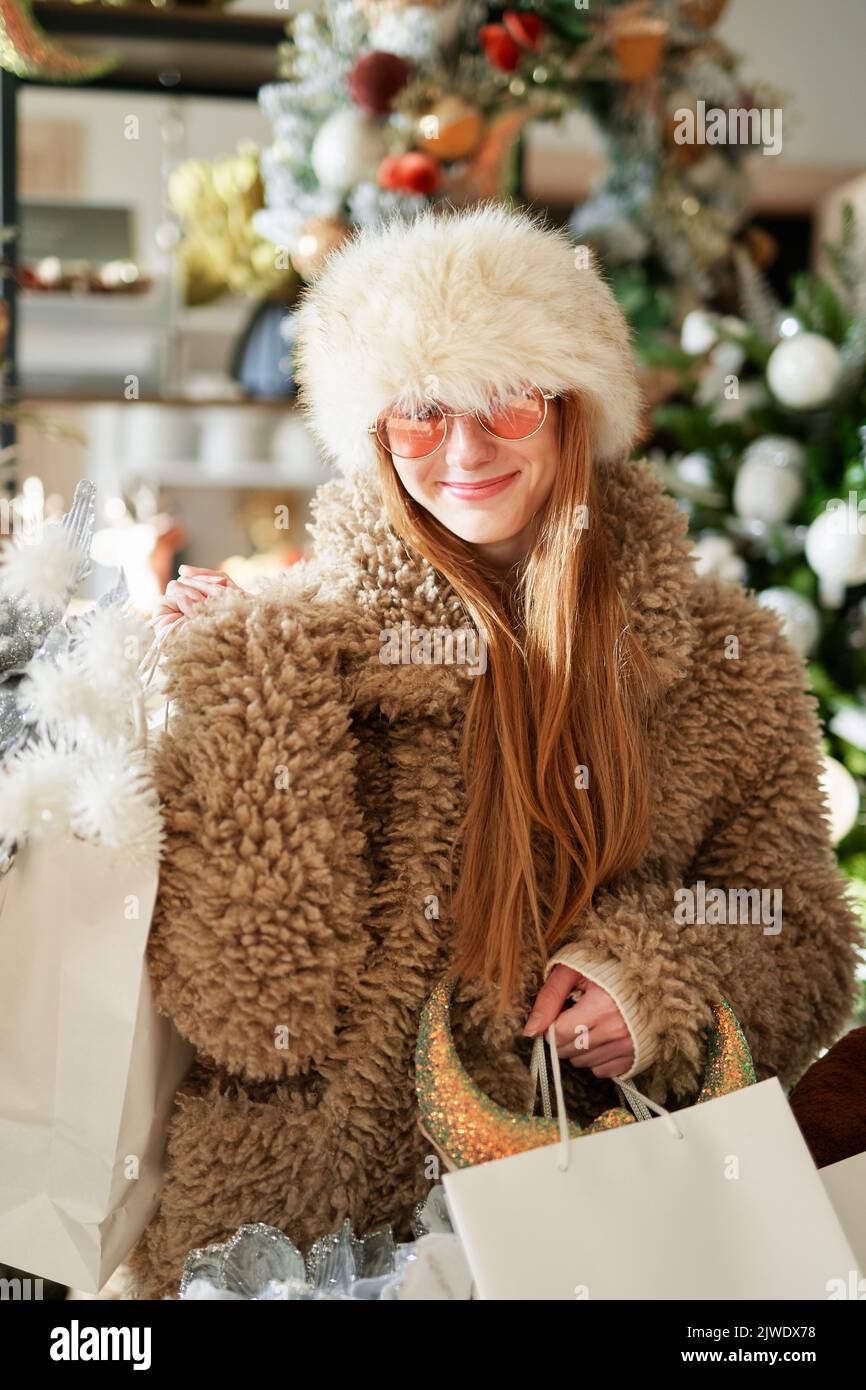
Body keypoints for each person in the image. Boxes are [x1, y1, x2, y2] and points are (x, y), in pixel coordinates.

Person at [132, 201, 861, 1298]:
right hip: (297, 1242)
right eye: (419, 412)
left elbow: (802, 936)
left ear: (574, 409)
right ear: (373, 430)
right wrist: (251, 692)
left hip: (596, 1232)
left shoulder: (720, 659)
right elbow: (251, 1013)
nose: (464, 449)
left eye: (505, 400)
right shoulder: (291, 647)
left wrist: (647, 980)